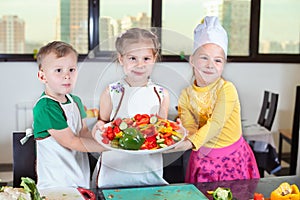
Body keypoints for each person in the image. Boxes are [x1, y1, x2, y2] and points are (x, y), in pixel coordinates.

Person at [175, 16, 260, 182]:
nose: (210, 65)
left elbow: (216, 124)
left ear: (223, 65)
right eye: (204, 58)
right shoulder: (186, 94)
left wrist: (188, 143)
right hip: (202, 157)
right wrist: (184, 132)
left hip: (232, 158)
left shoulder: (227, 90)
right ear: (192, 60)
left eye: (218, 60)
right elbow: (191, 126)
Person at [92, 28, 170, 188]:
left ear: (154, 59)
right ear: (121, 59)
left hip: (149, 174)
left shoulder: (161, 94)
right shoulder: (111, 92)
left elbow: (162, 131)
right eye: (132, 58)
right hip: (113, 174)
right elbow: (102, 122)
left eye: (146, 58)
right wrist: (97, 129)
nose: (139, 64)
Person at [33, 41, 106, 189]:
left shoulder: (76, 101)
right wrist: (108, 147)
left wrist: (103, 135)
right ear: (42, 76)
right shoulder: (46, 107)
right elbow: (72, 141)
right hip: (56, 184)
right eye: (59, 70)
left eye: (71, 69)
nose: (67, 76)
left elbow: (83, 133)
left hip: (80, 179)